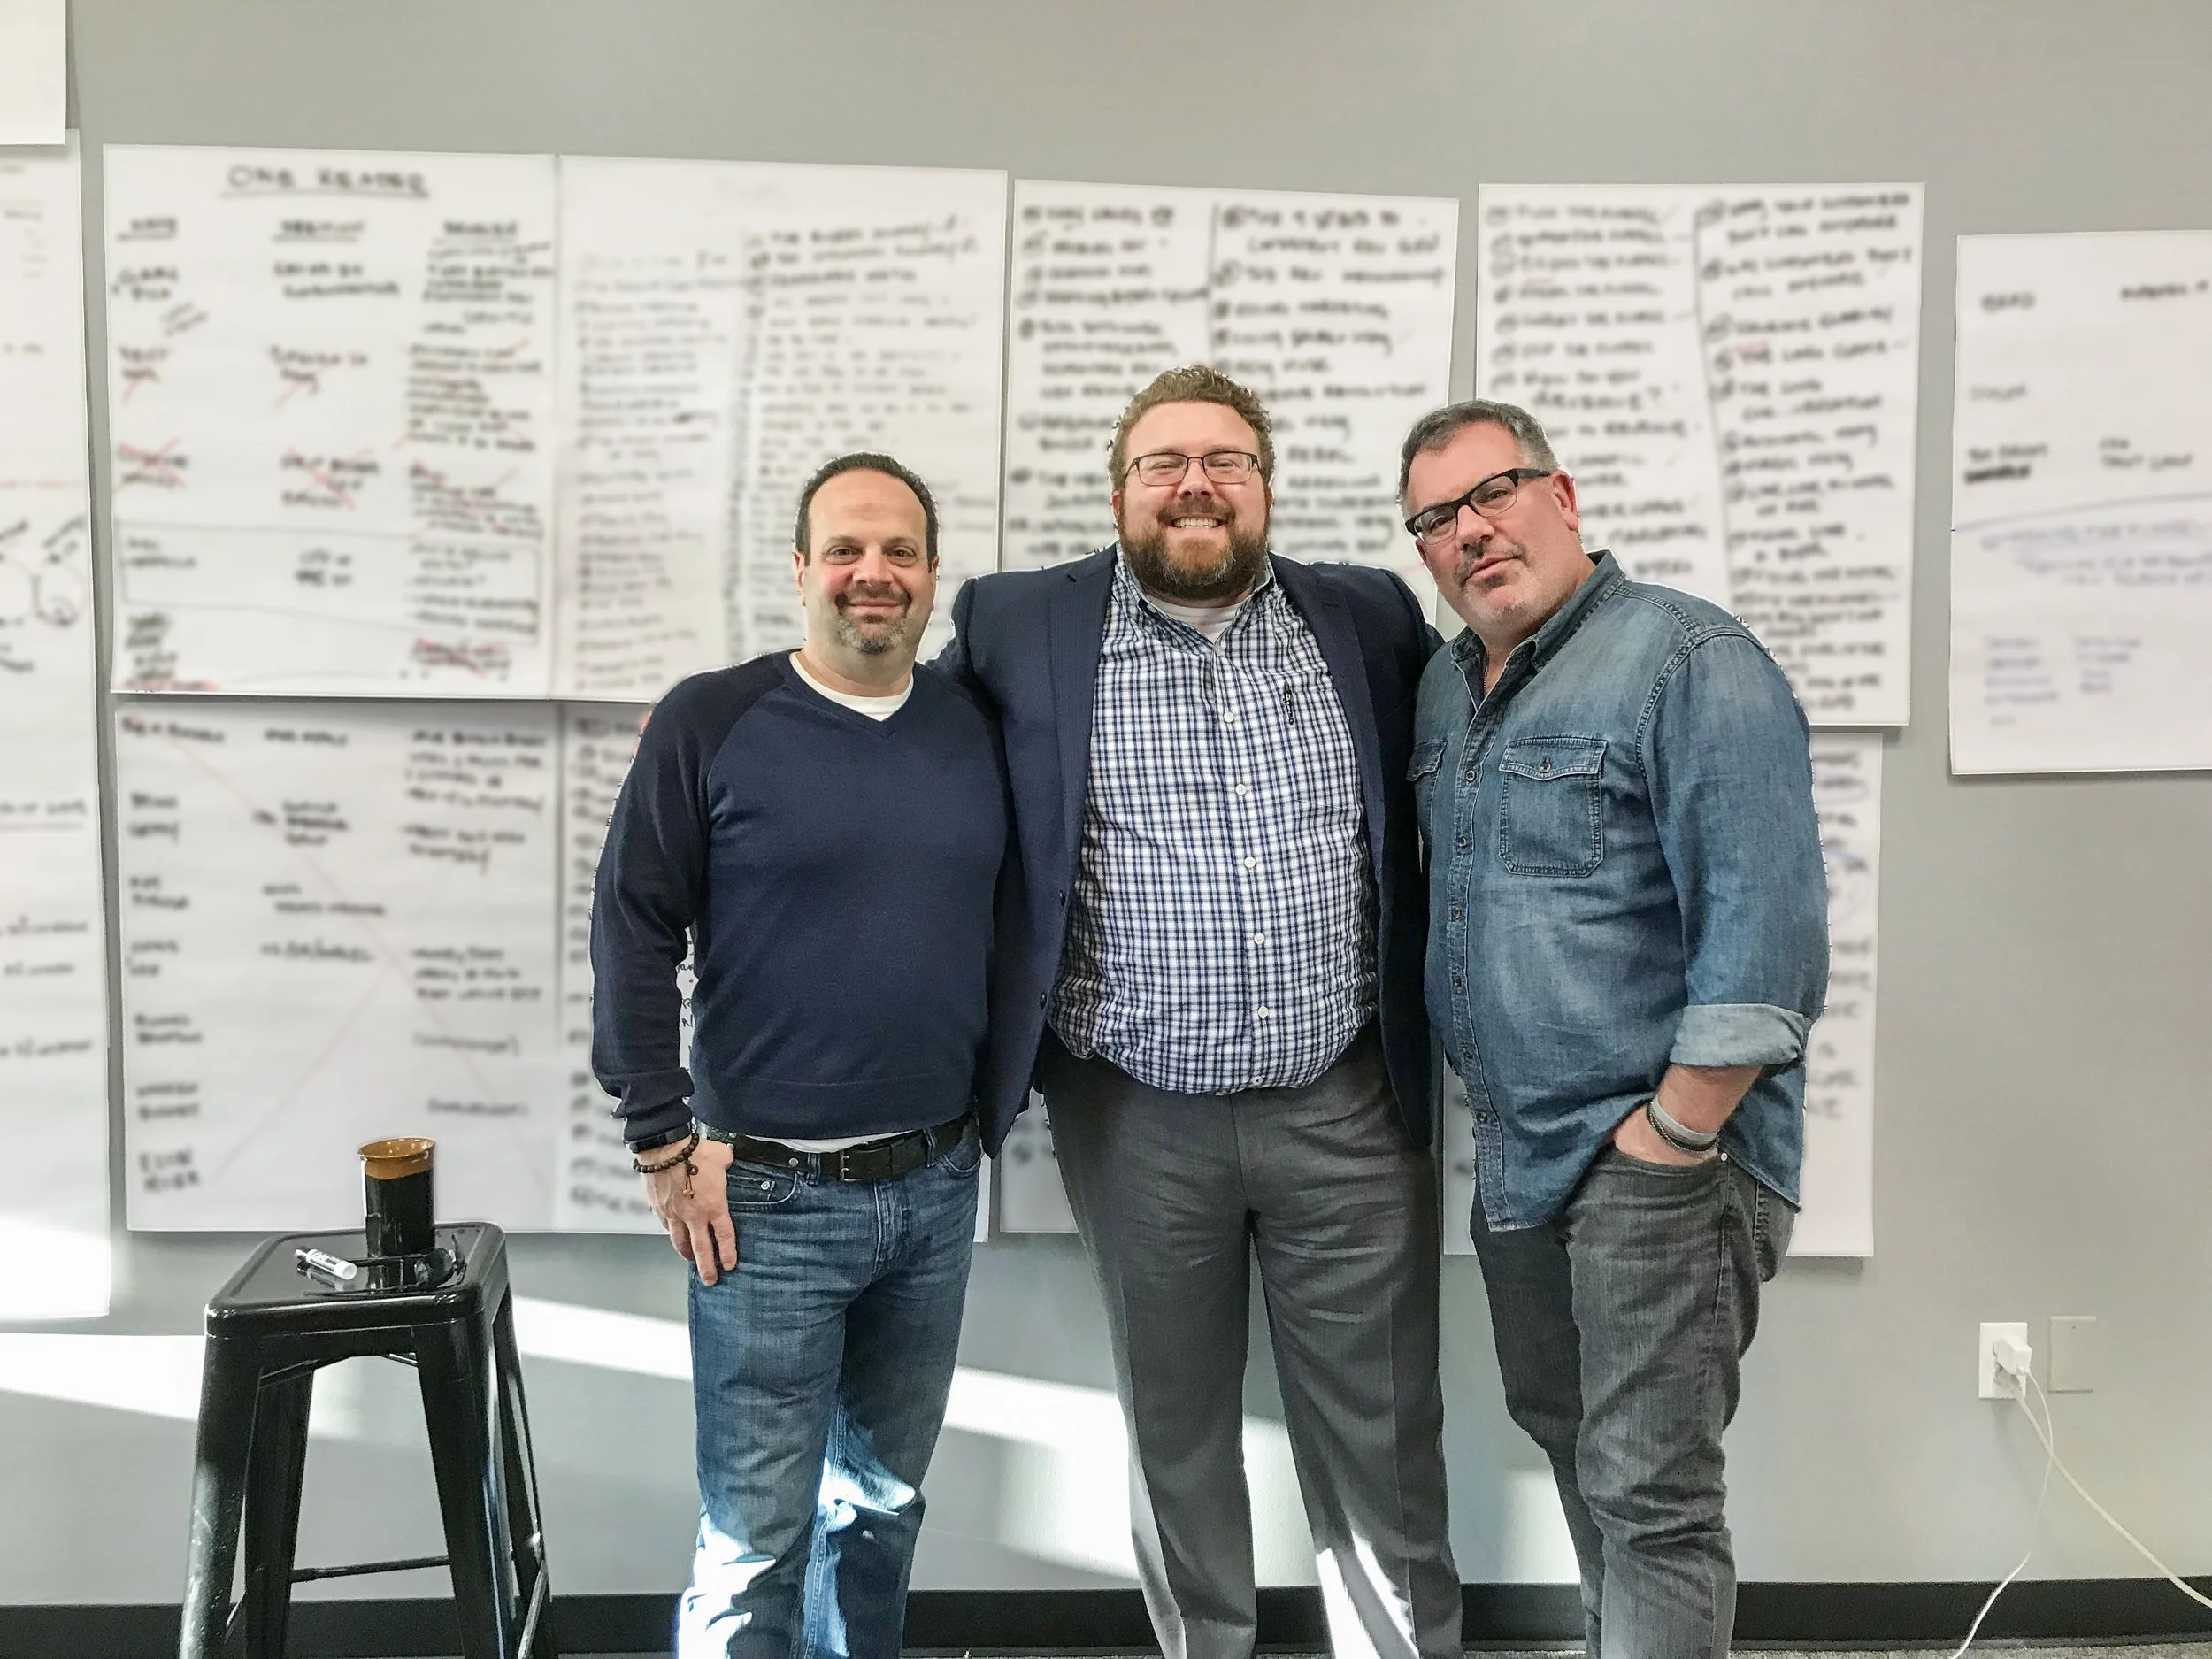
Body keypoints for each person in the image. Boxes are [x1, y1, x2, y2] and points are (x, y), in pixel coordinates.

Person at [940, 365, 1460, 1659]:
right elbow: (906, 757)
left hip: (1348, 1103)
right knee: (1174, 1432)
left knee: (1386, 1432)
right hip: (1134, 1119)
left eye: (1226, 460)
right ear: (1120, 490)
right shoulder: (1018, 624)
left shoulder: (1370, 615)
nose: (1195, 485)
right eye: (1163, 462)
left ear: (1265, 484)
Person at [1401, 399, 1830, 1659]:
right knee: (1582, 1461)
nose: (1471, 531)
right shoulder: (1446, 688)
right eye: (1436, 518)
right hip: (1521, 1159)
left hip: (1658, 1164)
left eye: (1494, 492)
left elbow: (1767, 944)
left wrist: (1671, 1137)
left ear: (1563, 494)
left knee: (1652, 1498)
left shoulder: (1690, 661)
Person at [590, 451, 1025, 1659]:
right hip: (764, 1199)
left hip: (936, 1187)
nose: (871, 572)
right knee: (753, 1540)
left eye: (898, 551)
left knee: (880, 1511)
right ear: (799, 571)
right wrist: (660, 1141)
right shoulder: (710, 720)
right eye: (845, 549)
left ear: (932, 575)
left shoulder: (979, 729)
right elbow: (631, 928)